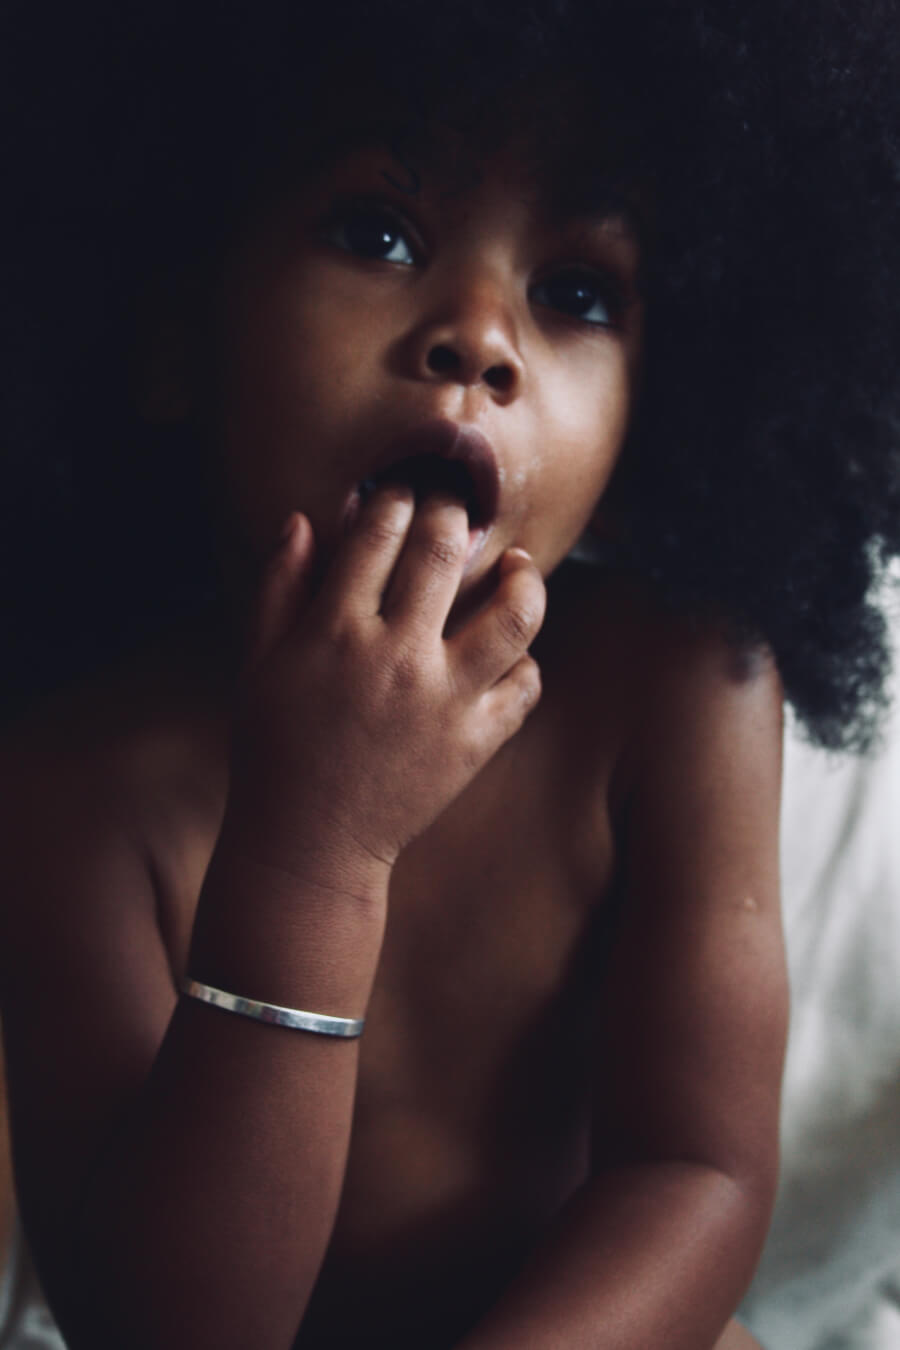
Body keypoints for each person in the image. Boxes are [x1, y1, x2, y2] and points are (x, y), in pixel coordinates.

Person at [0, 2, 897, 1346]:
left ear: (661, 416)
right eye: (378, 231)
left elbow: (696, 1174)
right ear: (175, 317)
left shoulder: (681, 691)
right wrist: (317, 845)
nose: (480, 335)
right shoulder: (72, 788)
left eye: (576, 291)